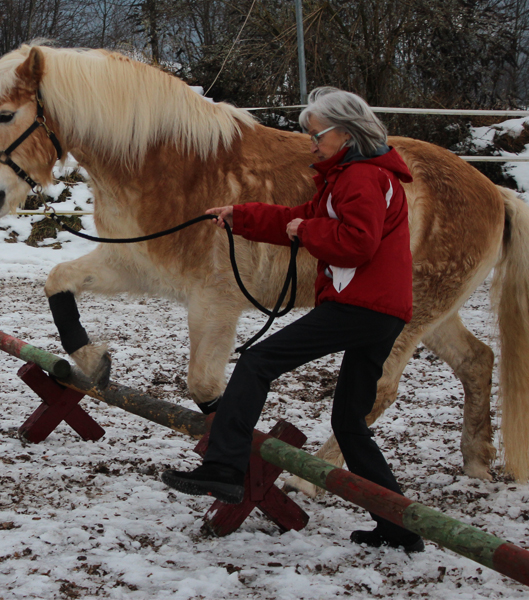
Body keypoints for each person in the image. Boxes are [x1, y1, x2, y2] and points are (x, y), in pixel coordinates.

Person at [161, 87, 424, 553]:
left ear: (345, 133)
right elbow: (296, 216)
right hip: (379, 310)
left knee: (257, 362)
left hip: (361, 305)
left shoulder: (361, 177)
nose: (311, 142)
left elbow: (356, 243)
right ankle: (399, 526)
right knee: (348, 421)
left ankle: (224, 468)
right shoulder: (352, 176)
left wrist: (308, 231)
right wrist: (239, 215)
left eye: (316, 134)